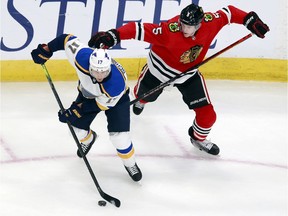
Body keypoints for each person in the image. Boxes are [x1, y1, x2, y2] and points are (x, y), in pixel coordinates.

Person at [88, 4, 269, 156]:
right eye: (183, 24)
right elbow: (138, 30)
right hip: (158, 73)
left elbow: (228, 13)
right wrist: (113, 36)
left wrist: (249, 19)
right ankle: (142, 100)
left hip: (188, 76)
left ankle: (198, 138)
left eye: (189, 26)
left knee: (208, 116)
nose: (184, 29)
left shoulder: (210, 22)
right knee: (142, 97)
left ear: (199, 24)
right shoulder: (168, 30)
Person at [31, 34, 142, 182]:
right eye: (96, 71)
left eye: (103, 71)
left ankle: (130, 164)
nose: (100, 75)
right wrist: (47, 49)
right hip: (88, 94)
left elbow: (98, 105)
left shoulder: (115, 84)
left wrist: (75, 111)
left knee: (120, 139)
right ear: (90, 65)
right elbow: (66, 40)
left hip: (117, 100)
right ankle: (89, 139)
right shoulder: (82, 57)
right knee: (75, 130)